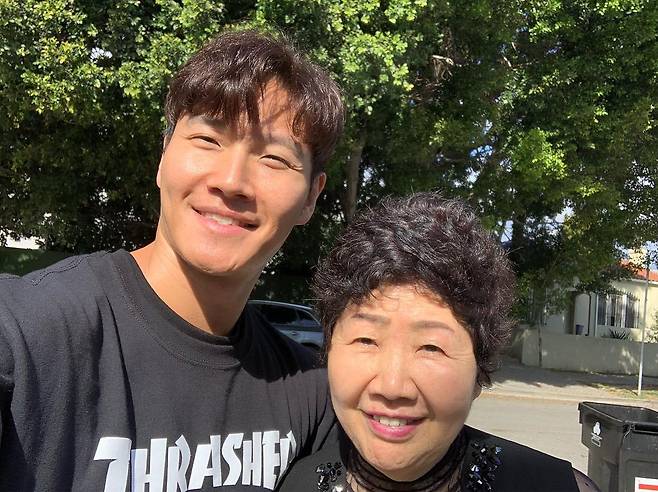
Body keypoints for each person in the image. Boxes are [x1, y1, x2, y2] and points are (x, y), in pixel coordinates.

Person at [0, 30, 344, 491]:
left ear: (311, 198)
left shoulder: (312, 395)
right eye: (207, 139)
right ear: (163, 157)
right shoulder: (24, 334)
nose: (231, 181)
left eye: (274, 159)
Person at [280, 193, 599, 491]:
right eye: (366, 340)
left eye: (431, 347)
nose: (392, 386)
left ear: (479, 373)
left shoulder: (555, 486)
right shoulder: (292, 483)